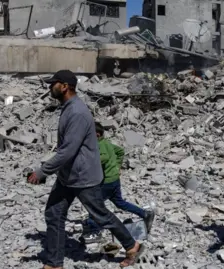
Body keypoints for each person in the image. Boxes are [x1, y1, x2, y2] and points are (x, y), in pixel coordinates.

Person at [27, 70, 144, 269]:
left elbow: (67, 151)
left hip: (83, 177)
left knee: (100, 215)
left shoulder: (77, 113)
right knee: (54, 214)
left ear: (64, 86)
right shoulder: (68, 108)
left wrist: (42, 171)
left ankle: (132, 245)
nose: (49, 87)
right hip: (68, 175)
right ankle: (55, 264)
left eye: (53, 83)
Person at [82, 122, 155, 243]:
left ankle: (95, 230)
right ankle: (144, 214)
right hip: (114, 179)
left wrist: (90, 162)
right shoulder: (106, 143)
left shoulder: (99, 145)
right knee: (119, 202)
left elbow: (104, 158)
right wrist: (117, 167)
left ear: (96, 134)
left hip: (106, 182)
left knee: (95, 205)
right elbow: (120, 151)